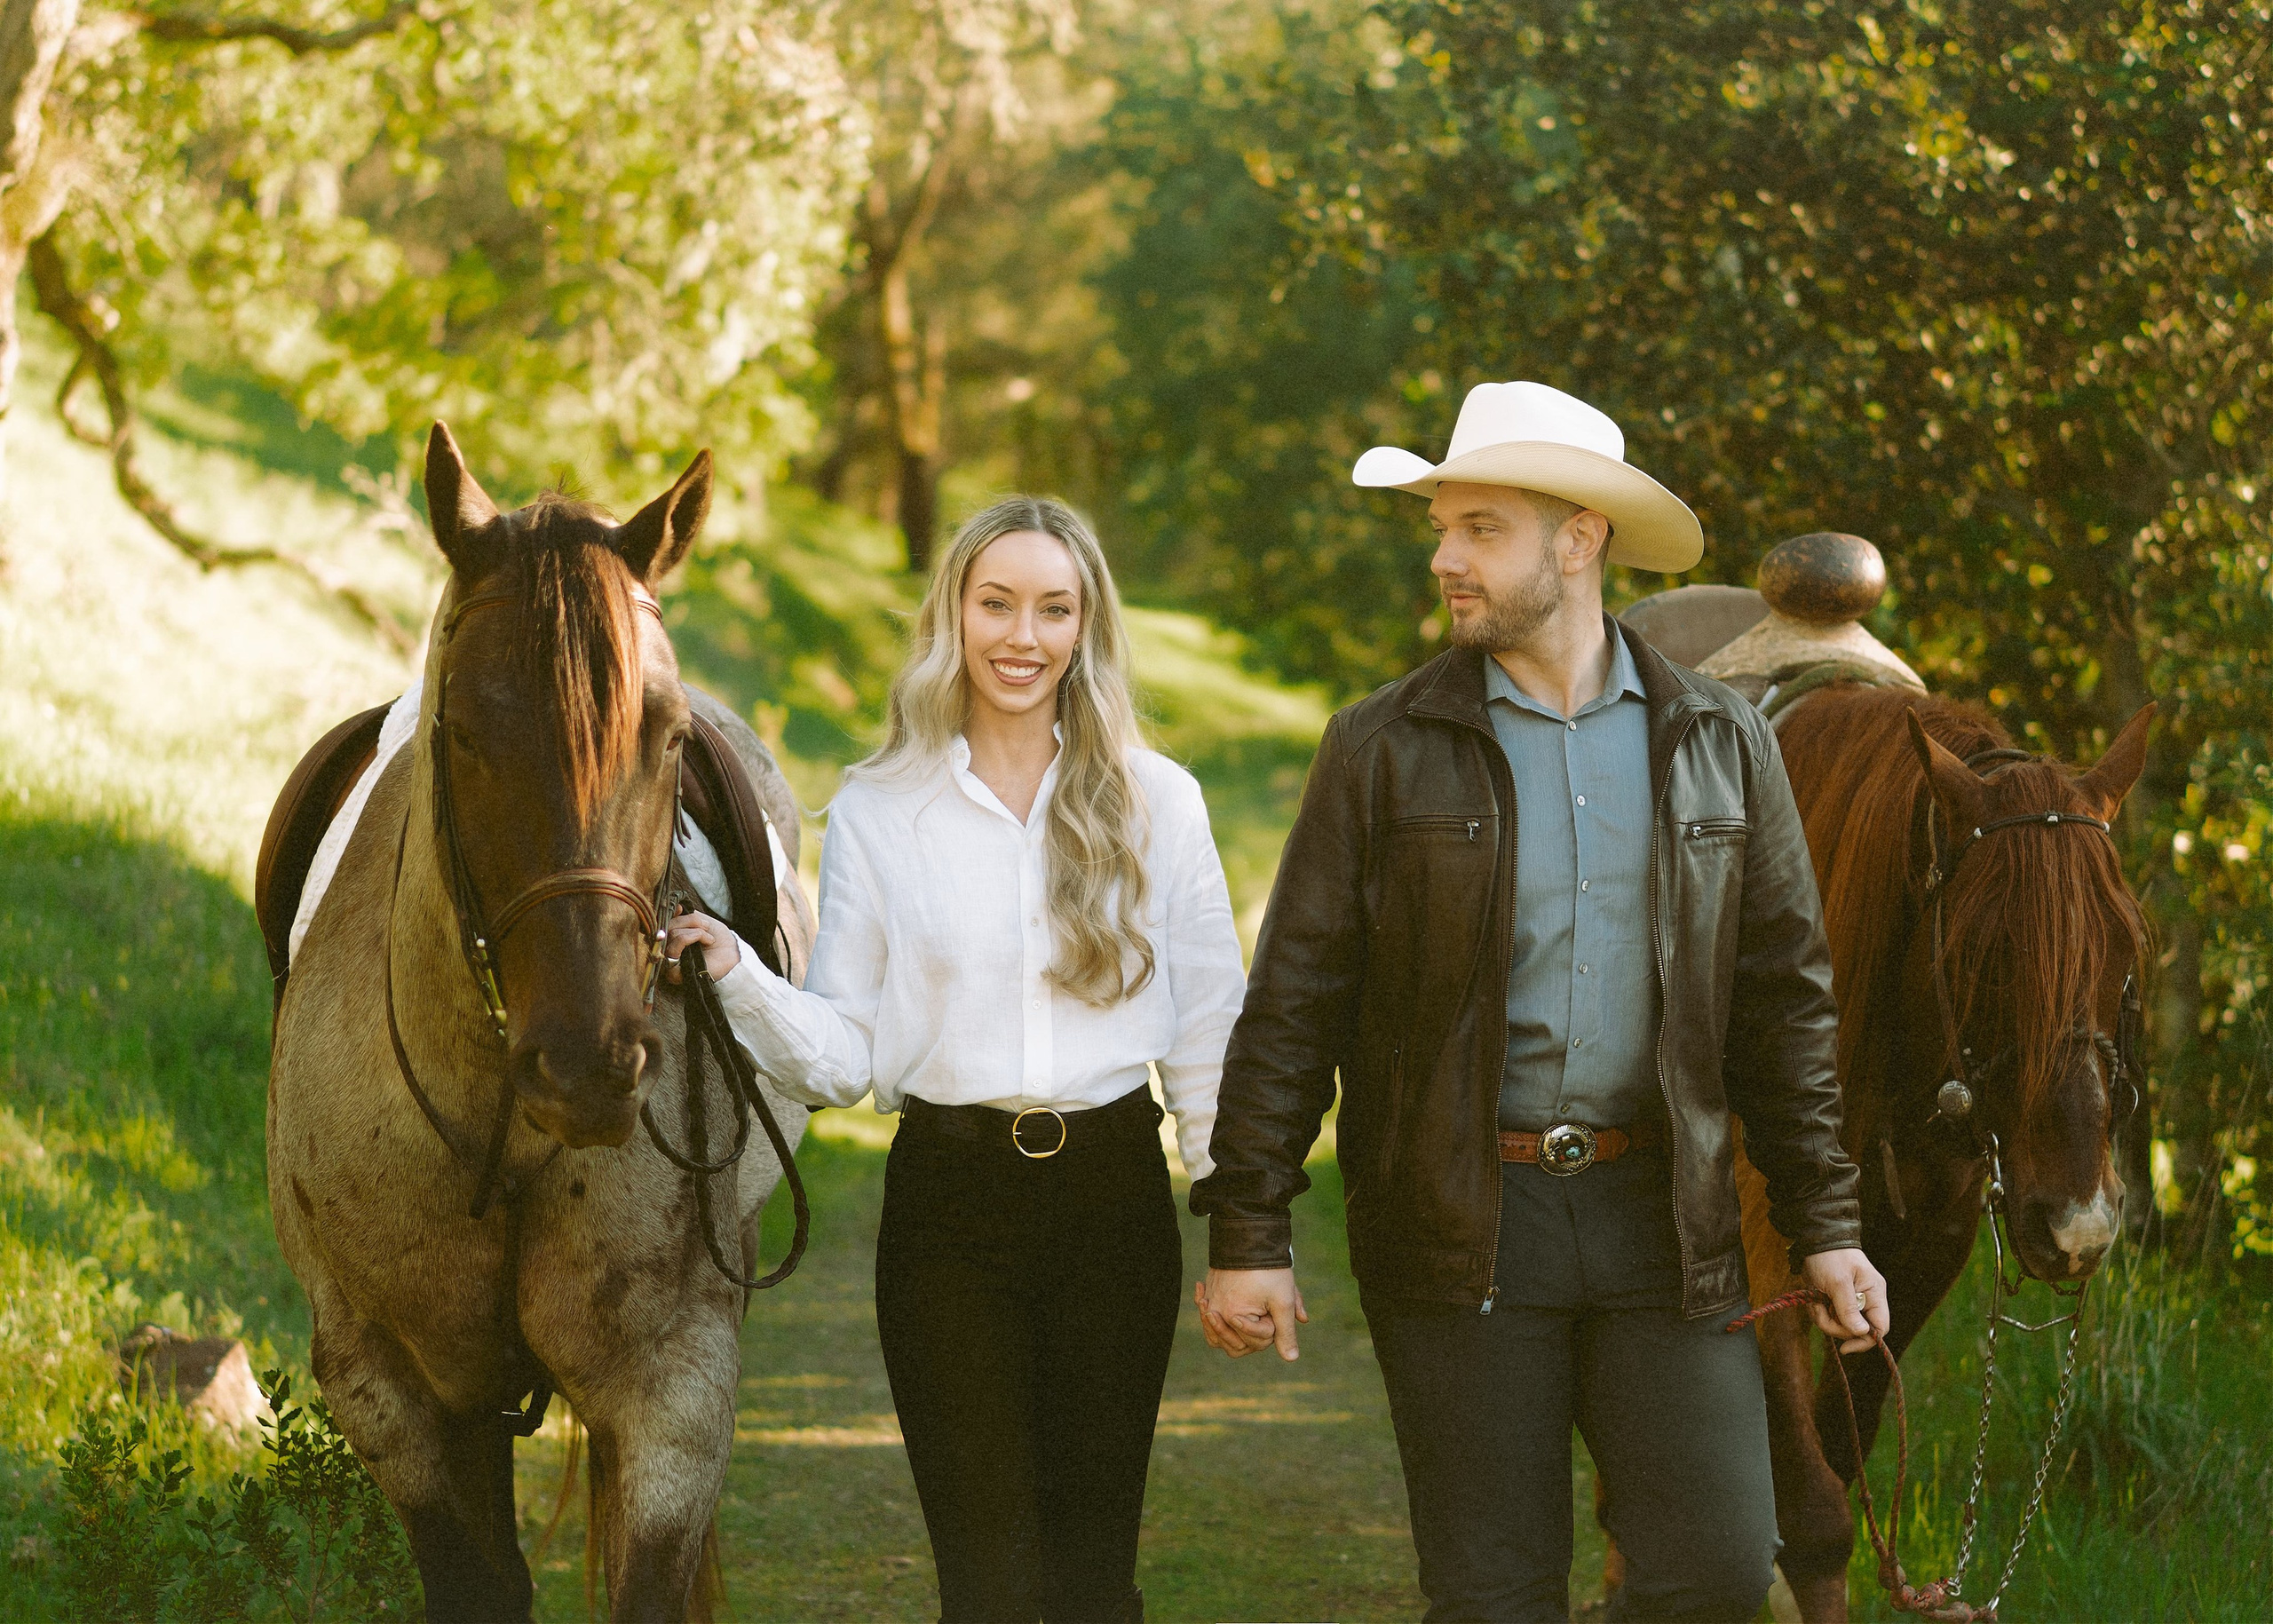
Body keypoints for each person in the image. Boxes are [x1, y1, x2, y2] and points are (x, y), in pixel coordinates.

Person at [1187, 381, 1889, 1623]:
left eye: (1481, 528)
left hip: (1665, 1221)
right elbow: (1297, 1001)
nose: (1446, 560)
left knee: (1717, 1569)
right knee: (1492, 1593)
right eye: (1442, 529)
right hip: (1461, 1222)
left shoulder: (1720, 741)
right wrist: (1251, 1225)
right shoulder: (1380, 747)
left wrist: (1827, 1224)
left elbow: (1783, 1007)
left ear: (1579, 538)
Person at [665, 495, 1246, 1624]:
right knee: (985, 1588)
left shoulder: (1159, 802)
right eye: (996, 603)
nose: (1022, 636)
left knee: (1091, 1584)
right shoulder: (882, 808)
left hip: (1112, 1203)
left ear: (1086, 626)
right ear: (955, 615)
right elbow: (847, 1053)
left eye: (1053, 608)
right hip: (949, 1213)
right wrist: (738, 973)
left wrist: (1243, 1230)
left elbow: (1208, 1031)